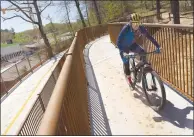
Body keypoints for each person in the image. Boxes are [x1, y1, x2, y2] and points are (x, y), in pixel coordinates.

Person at [116, 13, 161, 85]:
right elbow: (118, 42)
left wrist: (158, 46)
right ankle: (129, 79)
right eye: (134, 23)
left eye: (138, 22)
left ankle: (137, 69)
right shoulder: (126, 28)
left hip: (132, 45)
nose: (136, 25)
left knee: (143, 53)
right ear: (131, 22)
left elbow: (149, 37)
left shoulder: (140, 28)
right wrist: (123, 52)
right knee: (126, 63)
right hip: (123, 47)